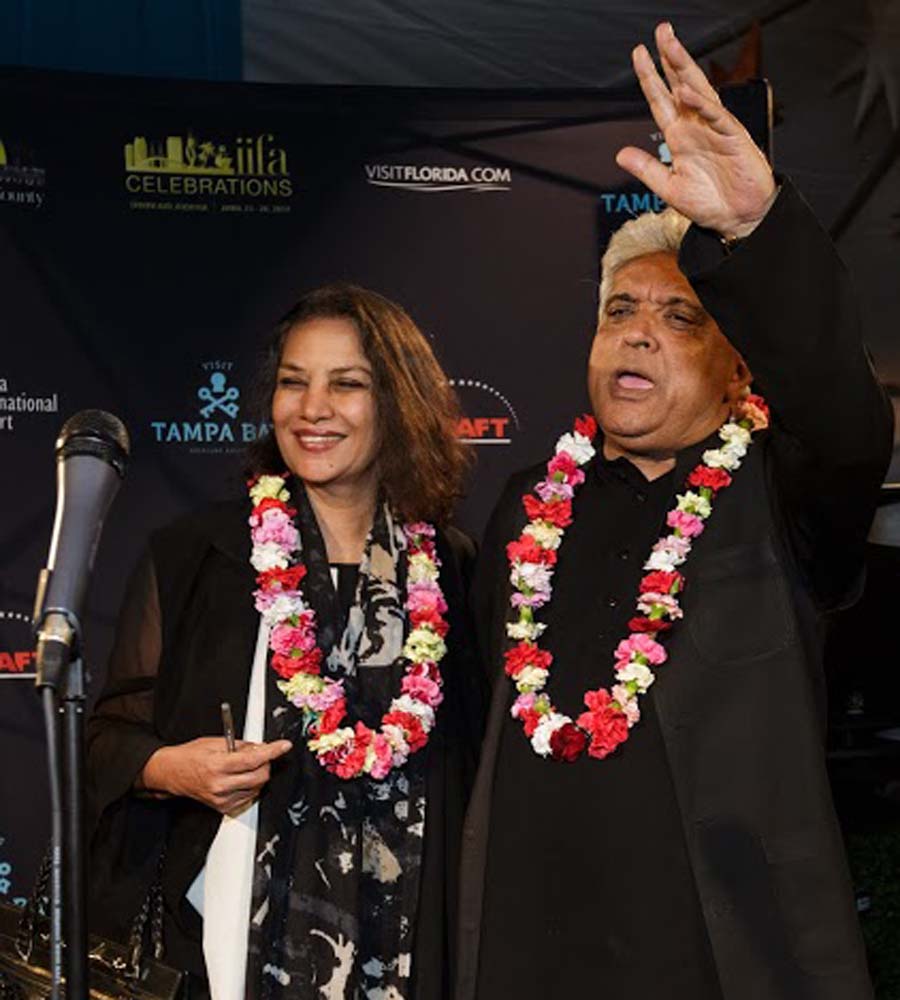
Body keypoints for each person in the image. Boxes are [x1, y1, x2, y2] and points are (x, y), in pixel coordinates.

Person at [457, 22, 892, 1000]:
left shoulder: (778, 489)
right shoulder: (531, 503)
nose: (638, 337)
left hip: (716, 962)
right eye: (620, 312)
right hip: (525, 956)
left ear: (738, 368)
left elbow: (848, 418)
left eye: (679, 316)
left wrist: (756, 228)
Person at [86, 283, 486, 1000]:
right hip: (228, 942)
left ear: (399, 403)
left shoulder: (450, 567)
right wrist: (169, 768)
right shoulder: (198, 556)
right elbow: (107, 742)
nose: (312, 410)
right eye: (293, 382)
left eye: (348, 385)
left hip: (408, 944)